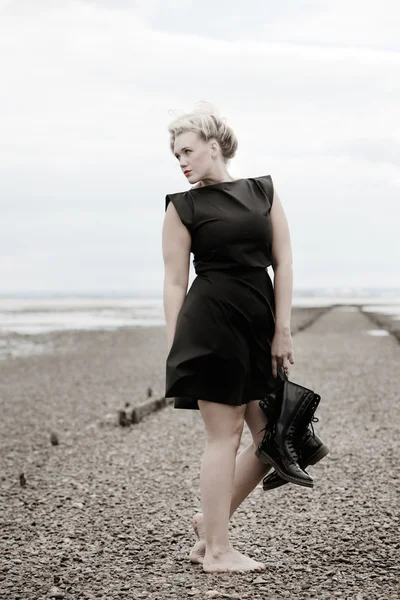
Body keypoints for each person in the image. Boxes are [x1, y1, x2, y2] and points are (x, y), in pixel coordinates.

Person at [162, 102, 295, 574]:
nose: (181, 161)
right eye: (176, 154)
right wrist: (177, 344)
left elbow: (283, 262)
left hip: (259, 324)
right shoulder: (183, 207)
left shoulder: (263, 191)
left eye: (187, 151)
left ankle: (209, 526)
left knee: (276, 439)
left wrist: (282, 329)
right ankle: (218, 550)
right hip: (210, 323)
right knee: (225, 434)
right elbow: (175, 281)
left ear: (213, 146)